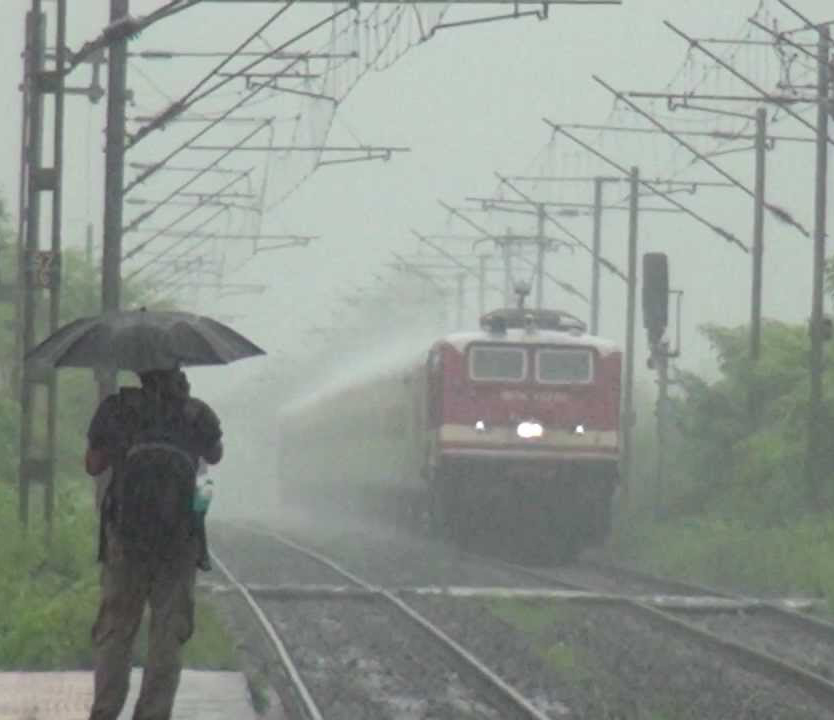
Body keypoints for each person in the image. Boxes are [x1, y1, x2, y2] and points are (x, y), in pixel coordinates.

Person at [85, 368, 223, 720]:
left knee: (116, 629)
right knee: (167, 634)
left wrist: (123, 445)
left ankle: (104, 712)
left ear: (140, 372)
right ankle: (153, 713)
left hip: (126, 539)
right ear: (178, 370)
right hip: (179, 541)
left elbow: (93, 465)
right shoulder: (196, 414)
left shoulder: (117, 409)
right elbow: (216, 454)